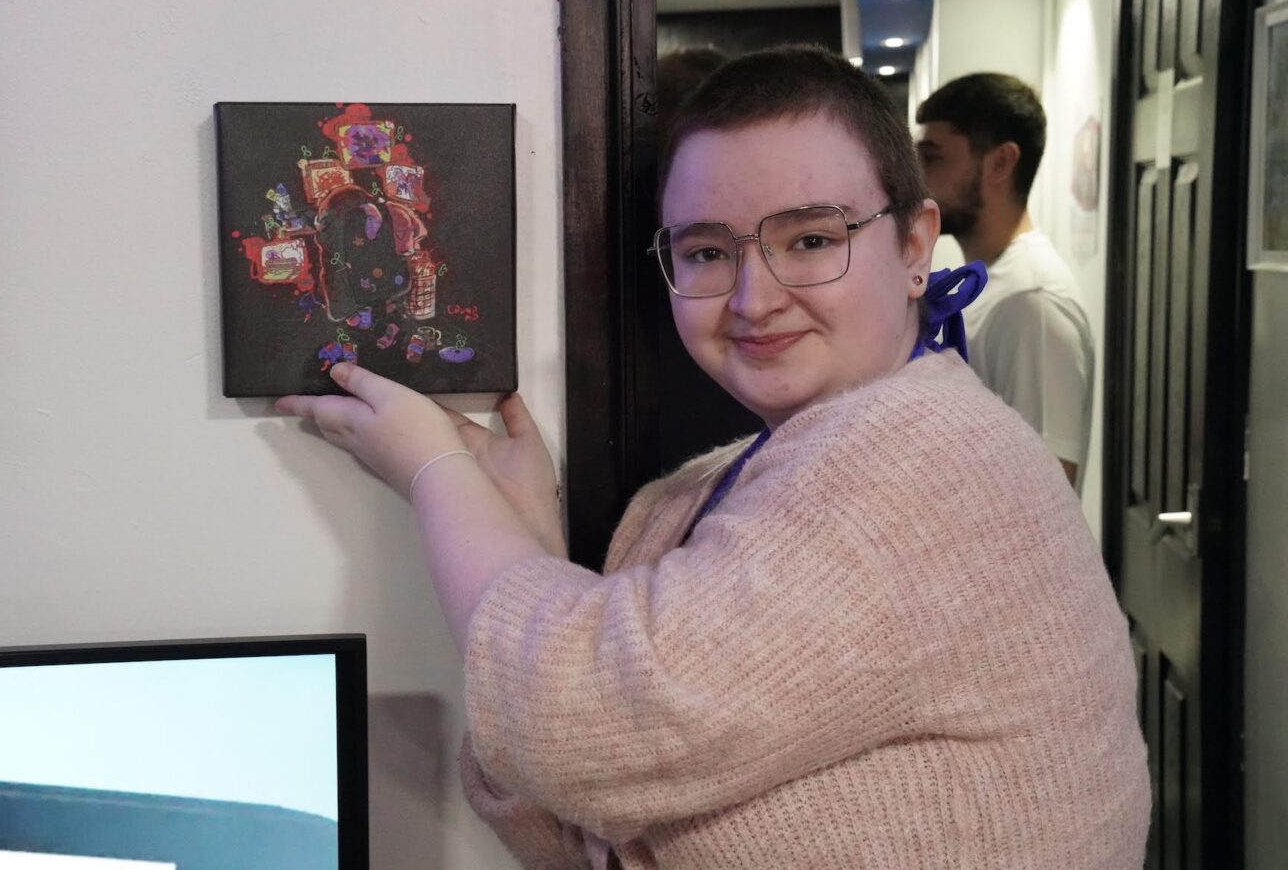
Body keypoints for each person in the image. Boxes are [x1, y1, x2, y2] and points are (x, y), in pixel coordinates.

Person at [277, 46, 1149, 869]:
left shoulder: (927, 459)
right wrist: (528, 535)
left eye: (811, 239)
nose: (753, 297)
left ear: (915, 244)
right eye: (706, 251)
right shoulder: (708, 489)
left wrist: (435, 470)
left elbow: (573, 724)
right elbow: (570, 803)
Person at [915, 73, 1095, 486]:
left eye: (932, 158)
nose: (918, 177)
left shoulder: (1034, 302)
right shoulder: (995, 285)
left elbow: (1046, 488)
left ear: (1000, 163)